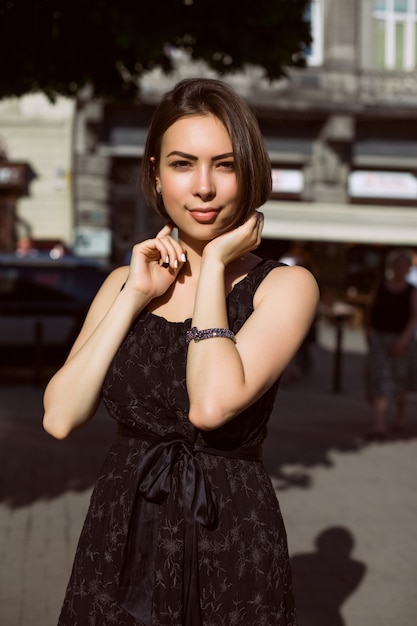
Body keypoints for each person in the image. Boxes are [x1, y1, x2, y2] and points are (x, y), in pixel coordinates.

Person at [43, 78, 319, 626]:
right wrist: (135, 297)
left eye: (225, 164)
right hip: (123, 522)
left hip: (229, 532)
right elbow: (60, 415)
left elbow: (210, 407)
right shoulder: (126, 280)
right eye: (182, 163)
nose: (204, 187)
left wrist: (215, 265)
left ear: (250, 172)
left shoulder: (285, 287)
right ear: (154, 172)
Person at [365, 249, 417, 438]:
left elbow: (414, 317)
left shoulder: (412, 291)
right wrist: (369, 331)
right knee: (379, 378)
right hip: (380, 337)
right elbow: (371, 310)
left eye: (404, 265)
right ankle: (379, 423)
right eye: (397, 264)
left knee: (400, 380)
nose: (400, 268)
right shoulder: (380, 286)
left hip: (401, 339)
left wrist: (404, 339)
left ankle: (400, 414)